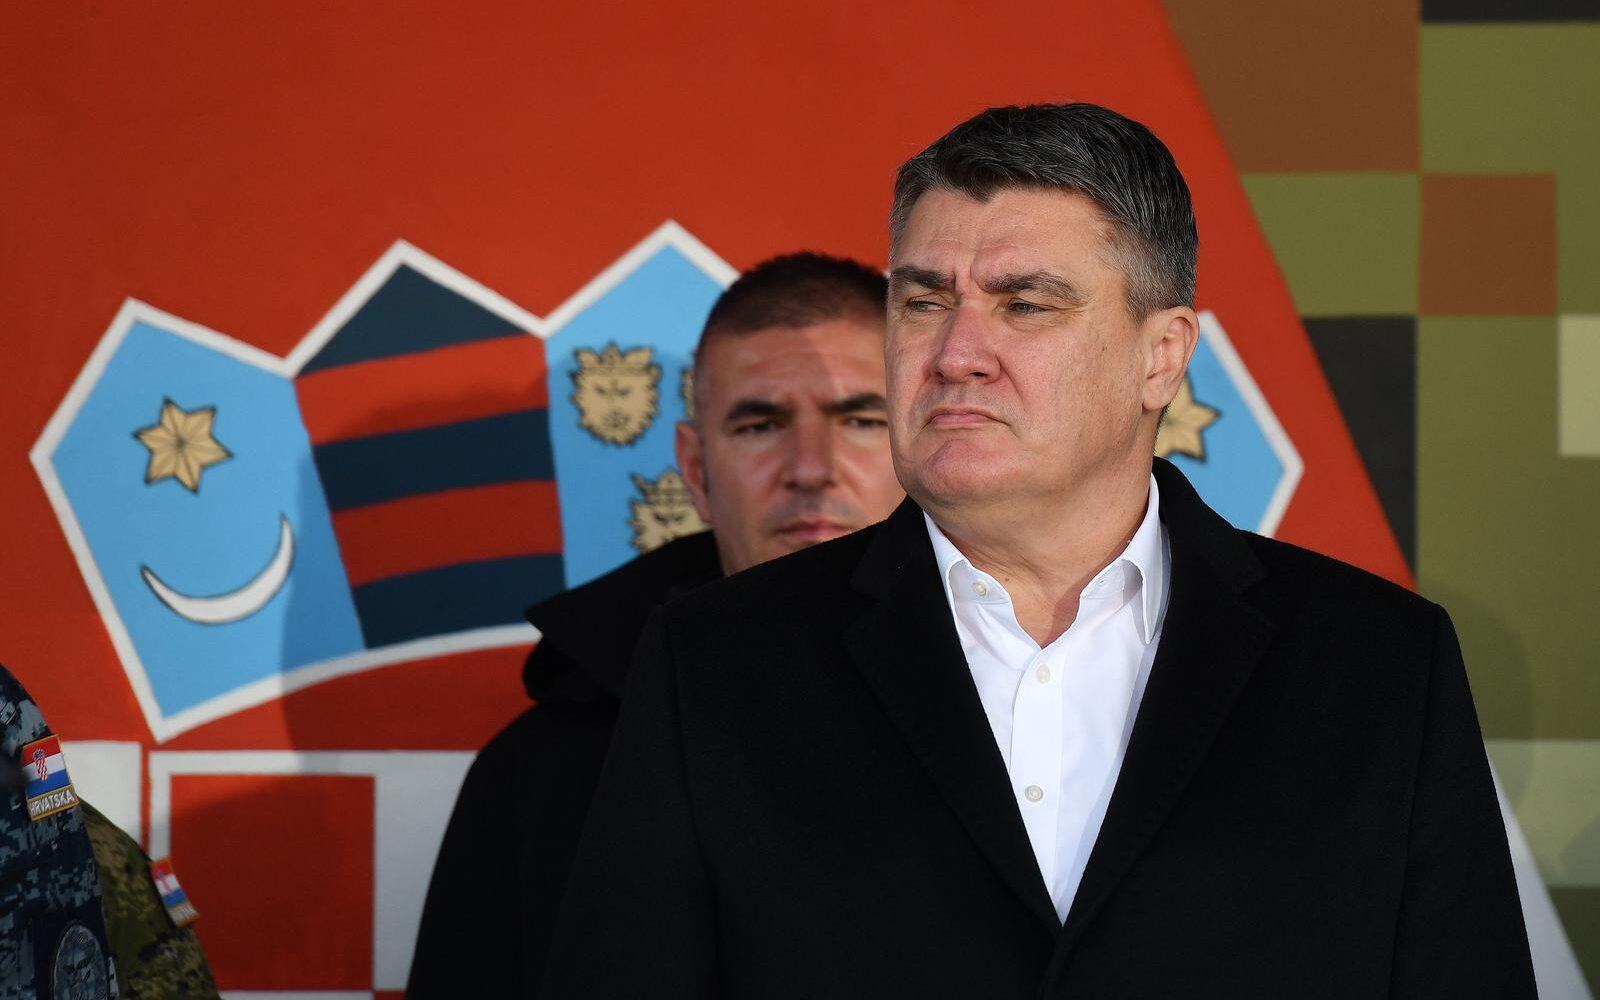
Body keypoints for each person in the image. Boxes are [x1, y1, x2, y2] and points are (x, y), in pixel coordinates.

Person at [542, 104, 1536, 998]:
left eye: (1025, 304)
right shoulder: (712, 663)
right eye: (923, 300)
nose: (954, 353)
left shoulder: (1378, 665)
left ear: (1161, 356)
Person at [405, 252, 905, 998]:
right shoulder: (543, 774)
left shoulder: (1035, 711)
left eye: (861, 420)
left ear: (929, 446)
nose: (810, 467)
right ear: (695, 472)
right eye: (760, 424)